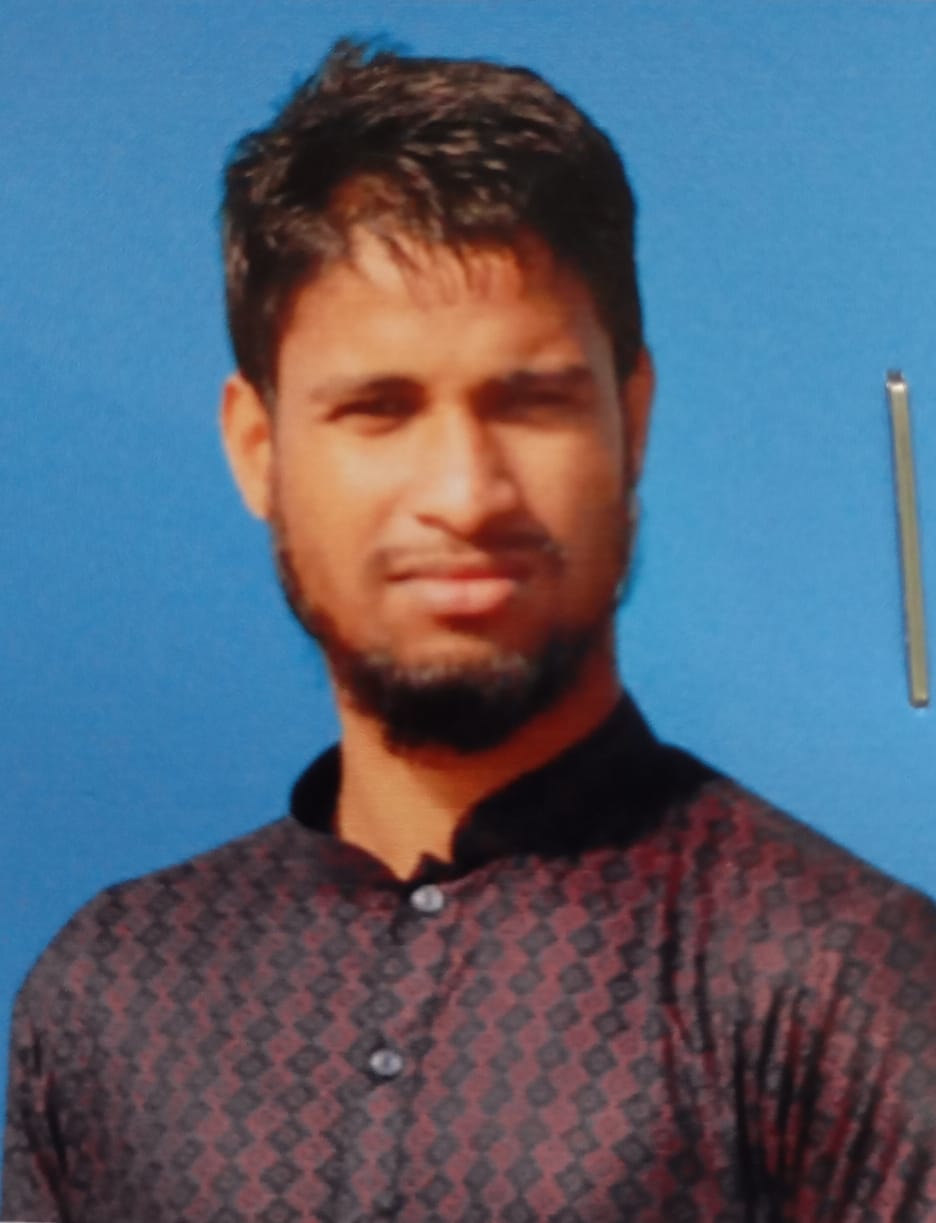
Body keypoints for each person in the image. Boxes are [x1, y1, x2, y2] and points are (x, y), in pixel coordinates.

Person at [4, 38, 935, 1223]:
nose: (465, 491)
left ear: (633, 420)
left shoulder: (846, 983)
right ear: (258, 447)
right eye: (378, 408)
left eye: (532, 402)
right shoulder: (110, 992)